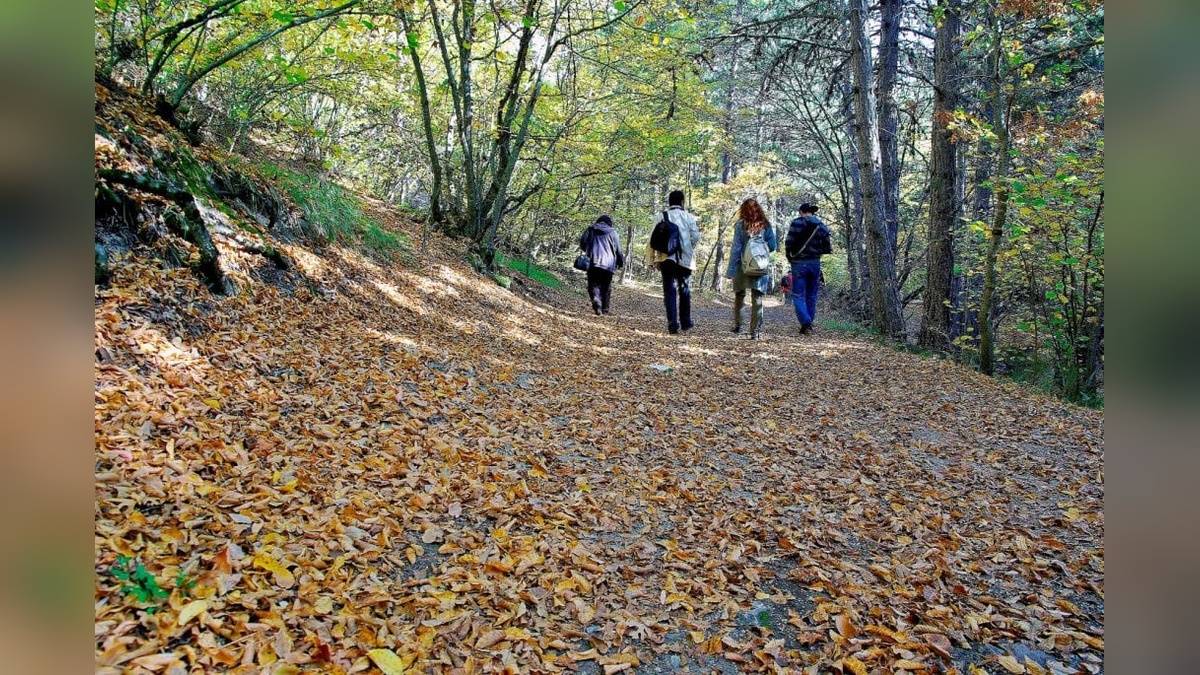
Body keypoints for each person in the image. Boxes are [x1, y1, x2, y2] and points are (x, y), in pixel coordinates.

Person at [646, 190, 701, 334]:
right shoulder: (689, 217)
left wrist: (651, 260)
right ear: (682, 202)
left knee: (669, 291)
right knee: (685, 290)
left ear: (669, 202)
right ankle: (686, 322)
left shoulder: (662, 216)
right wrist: (688, 246)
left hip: (666, 259)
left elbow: (651, 240)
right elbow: (696, 236)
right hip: (685, 260)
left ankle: (672, 324)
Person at [725, 198, 778, 339]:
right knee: (757, 297)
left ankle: (738, 326)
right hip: (760, 265)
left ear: (743, 210)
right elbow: (773, 246)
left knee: (739, 295)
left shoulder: (740, 225)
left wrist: (730, 270)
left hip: (742, 265)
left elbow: (736, 249)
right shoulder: (765, 225)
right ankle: (755, 332)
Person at [783, 202, 833, 334]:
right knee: (812, 295)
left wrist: (790, 257)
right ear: (812, 212)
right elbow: (827, 247)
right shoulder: (821, 225)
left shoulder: (796, 223)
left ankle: (806, 321)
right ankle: (809, 323)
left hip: (799, 263)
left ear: (801, 212)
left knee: (798, 295)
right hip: (815, 263)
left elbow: (788, 243)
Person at [578, 214, 624, 315]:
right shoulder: (613, 232)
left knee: (593, 284)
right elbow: (618, 250)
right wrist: (620, 262)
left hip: (593, 262)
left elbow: (582, 242)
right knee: (606, 287)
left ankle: (596, 301)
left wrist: (588, 249)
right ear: (609, 223)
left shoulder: (591, 229)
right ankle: (605, 309)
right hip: (609, 264)